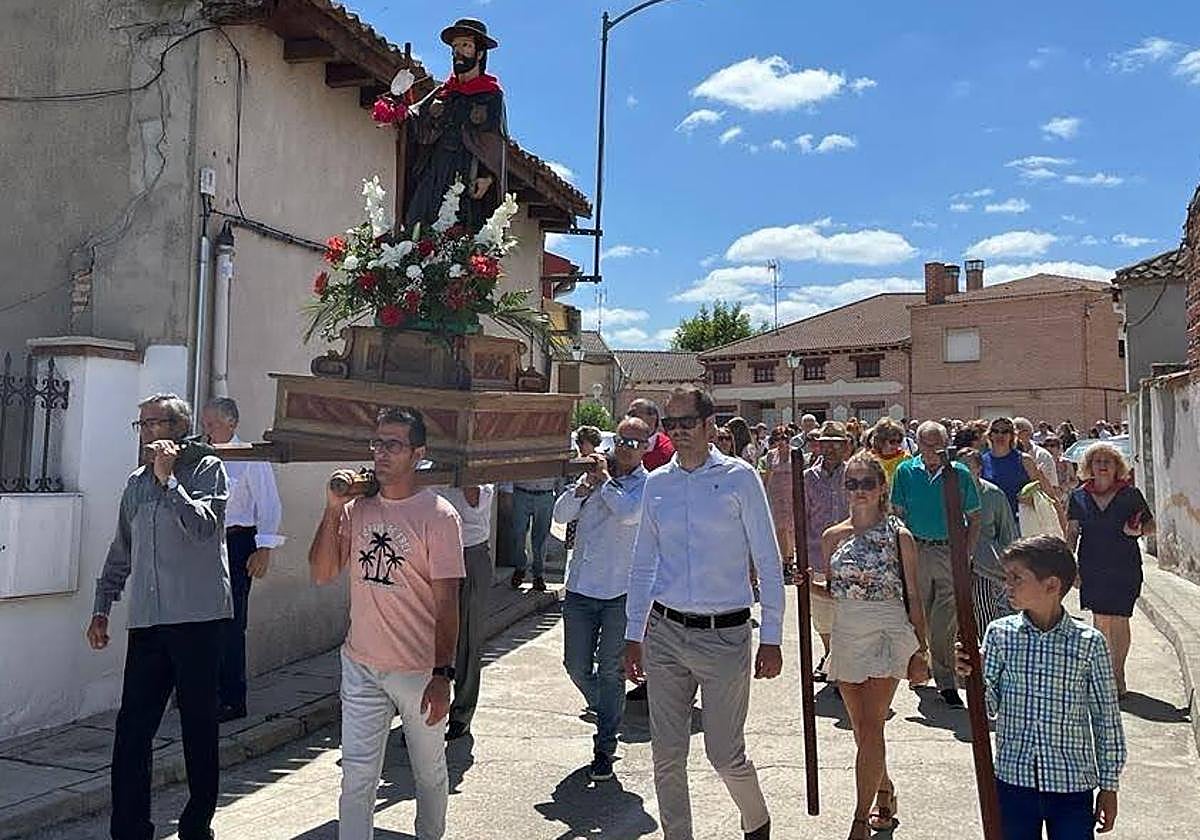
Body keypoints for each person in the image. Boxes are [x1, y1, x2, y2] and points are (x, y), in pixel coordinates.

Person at [625, 386, 783, 840]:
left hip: (726, 635)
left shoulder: (740, 478)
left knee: (724, 754)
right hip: (666, 633)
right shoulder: (658, 485)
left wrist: (772, 635)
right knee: (666, 755)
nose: (678, 433)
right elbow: (643, 564)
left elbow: (768, 561)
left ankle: (756, 820)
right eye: (669, 426)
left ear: (709, 424)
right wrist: (634, 632)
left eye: (686, 424)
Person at [309, 407, 464, 840]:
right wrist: (331, 508)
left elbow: (448, 601)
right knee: (356, 776)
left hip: (417, 671)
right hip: (361, 664)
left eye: (393, 444)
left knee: (428, 771)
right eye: (377, 443)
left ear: (418, 453)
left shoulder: (438, 515)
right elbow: (322, 573)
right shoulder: (357, 508)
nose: (381, 453)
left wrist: (442, 674)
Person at [88, 394, 231, 840]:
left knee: (198, 727)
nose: (147, 431)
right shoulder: (135, 484)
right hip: (149, 622)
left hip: (197, 618)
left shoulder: (208, 469)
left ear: (178, 427)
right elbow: (121, 550)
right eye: (142, 424)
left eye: (155, 423)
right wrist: (101, 606)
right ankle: (129, 829)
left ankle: (195, 825)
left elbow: (204, 527)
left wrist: (170, 482)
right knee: (132, 730)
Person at [956, 535, 1126, 839]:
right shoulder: (1000, 635)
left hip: (1072, 785)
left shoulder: (1089, 644)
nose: (1007, 584)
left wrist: (1109, 786)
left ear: (1051, 585)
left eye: (1017, 578)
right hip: (1013, 781)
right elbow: (988, 706)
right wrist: (971, 675)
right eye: (1006, 576)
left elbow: (1106, 718)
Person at [823, 452, 928, 840]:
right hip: (848, 629)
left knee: (872, 726)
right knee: (861, 729)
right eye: (852, 483)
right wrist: (806, 584)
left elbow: (913, 595)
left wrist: (921, 650)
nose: (860, 490)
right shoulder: (832, 536)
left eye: (868, 482)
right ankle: (884, 790)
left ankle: (859, 820)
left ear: (882, 487)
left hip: (887, 628)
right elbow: (833, 590)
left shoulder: (900, 535)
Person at [553, 416, 650, 782]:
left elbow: (628, 515)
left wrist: (604, 481)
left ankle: (605, 745)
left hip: (618, 593)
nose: (625, 448)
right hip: (579, 587)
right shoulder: (591, 476)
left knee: (611, 670)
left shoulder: (645, 485)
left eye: (634, 443)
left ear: (645, 447)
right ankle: (610, 709)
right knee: (575, 666)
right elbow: (561, 514)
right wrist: (582, 487)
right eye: (621, 440)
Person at [201, 396, 285, 723]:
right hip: (205, 543)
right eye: (205, 424)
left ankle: (233, 698)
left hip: (237, 543)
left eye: (213, 424)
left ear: (231, 424)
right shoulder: (203, 456)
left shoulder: (250, 457)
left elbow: (269, 505)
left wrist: (263, 548)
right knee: (202, 620)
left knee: (231, 623)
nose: (207, 430)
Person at [890, 421, 981, 707]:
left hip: (948, 551)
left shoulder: (959, 474)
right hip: (916, 549)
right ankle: (921, 664)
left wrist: (966, 553)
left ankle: (946, 680)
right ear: (917, 444)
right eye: (927, 445)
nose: (932, 451)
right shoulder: (906, 471)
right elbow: (898, 513)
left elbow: (975, 517)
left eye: (937, 445)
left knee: (944, 620)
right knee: (920, 615)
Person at [1066, 443, 1154, 697]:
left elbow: (1151, 525)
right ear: (1089, 466)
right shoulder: (1079, 496)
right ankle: (1102, 676)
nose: (1102, 465)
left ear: (1117, 467)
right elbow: (1072, 533)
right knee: (1101, 620)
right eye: (1097, 461)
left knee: (1120, 618)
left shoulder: (1130, 494)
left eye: (1108, 461)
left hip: (1124, 564)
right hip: (1092, 564)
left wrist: (1137, 530)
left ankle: (1118, 675)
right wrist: (1069, 565)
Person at [405, 18, 507, 233]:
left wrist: (488, 177)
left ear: (479, 54)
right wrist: (397, 110)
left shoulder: (491, 95)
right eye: (455, 47)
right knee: (417, 222)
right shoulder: (443, 92)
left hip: (466, 170)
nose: (458, 52)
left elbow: (495, 141)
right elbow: (416, 117)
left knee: (458, 230)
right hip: (435, 168)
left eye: (465, 46)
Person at [435, 483, 495, 740]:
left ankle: (461, 713)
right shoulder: (426, 468)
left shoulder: (482, 472)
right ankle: (426, 712)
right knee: (427, 637)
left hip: (470, 554)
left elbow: (474, 500)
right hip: (433, 553)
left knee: (468, 638)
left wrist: (461, 469)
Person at [803, 421, 851, 680]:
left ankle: (840, 662)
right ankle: (830, 653)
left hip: (850, 556)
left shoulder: (854, 475)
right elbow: (801, 518)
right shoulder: (808, 478)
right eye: (827, 443)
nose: (831, 448)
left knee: (847, 611)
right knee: (822, 614)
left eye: (837, 443)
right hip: (816, 555)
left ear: (845, 446)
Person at [957, 448, 1019, 631]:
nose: (965, 470)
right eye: (961, 466)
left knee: (986, 617)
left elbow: (1007, 534)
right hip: (954, 566)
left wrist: (1010, 568)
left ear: (979, 469)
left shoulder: (993, 495)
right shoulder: (947, 494)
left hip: (985, 568)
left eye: (970, 466)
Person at [981, 417, 1053, 527]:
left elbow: (1047, 492)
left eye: (1005, 431)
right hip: (992, 524)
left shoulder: (1024, 460)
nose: (1000, 435)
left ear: (1012, 436)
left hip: (1020, 522)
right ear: (990, 435)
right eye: (995, 431)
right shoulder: (982, 461)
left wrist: (1032, 499)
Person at [507, 474, 558, 591]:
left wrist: (559, 496)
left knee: (541, 538)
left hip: (546, 493)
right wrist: (508, 491)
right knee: (517, 534)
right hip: (521, 492)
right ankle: (520, 567)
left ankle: (538, 575)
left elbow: (560, 473)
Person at [762, 425, 796, 580]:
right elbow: (767, 475)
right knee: (780, 528)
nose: (780, 442)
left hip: (791, 494)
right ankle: (785, 561)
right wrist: (763, 492)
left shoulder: (795, 454)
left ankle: (790, 557)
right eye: (777, 439)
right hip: (776, 495)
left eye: (783, 438)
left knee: (790, 529)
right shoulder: (771, 455)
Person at [628, 398, 675, 471]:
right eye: (628, 415)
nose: (629, 419)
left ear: (653, 418)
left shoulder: (668, 450)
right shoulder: (621, 446)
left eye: (633, 414)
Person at [868, 417, 909, 482]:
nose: (897, 445)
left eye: (899, 441)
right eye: (892, 441)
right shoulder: (869, 459)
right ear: (881, 441)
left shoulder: (906, 459)